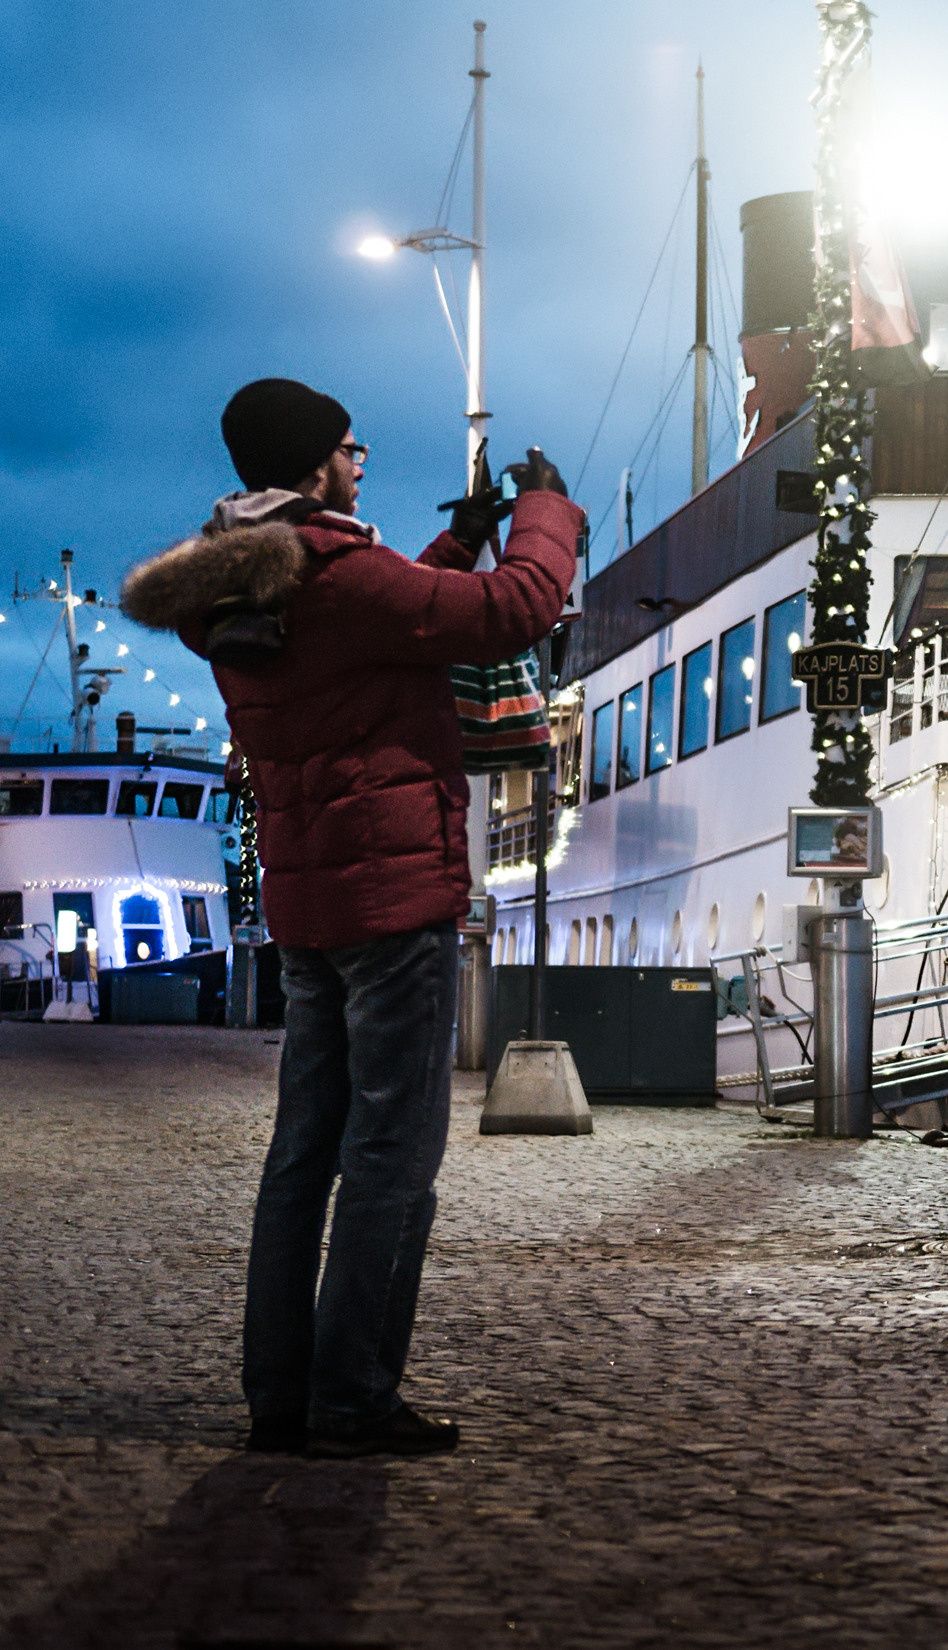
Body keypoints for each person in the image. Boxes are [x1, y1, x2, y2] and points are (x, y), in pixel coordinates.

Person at [122, 378, 580, 1459]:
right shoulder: (343, 578)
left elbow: (381, 613)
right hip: (394, 901)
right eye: (349, 446)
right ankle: (354, 1396)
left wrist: (452, 543)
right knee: (392, 1156)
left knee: (303, 1155)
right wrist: (541, 513)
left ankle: (281, 1394)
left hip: (310, 904)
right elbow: (516, 612)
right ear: (316, 465)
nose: (361, 458)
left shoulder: (239, 590)